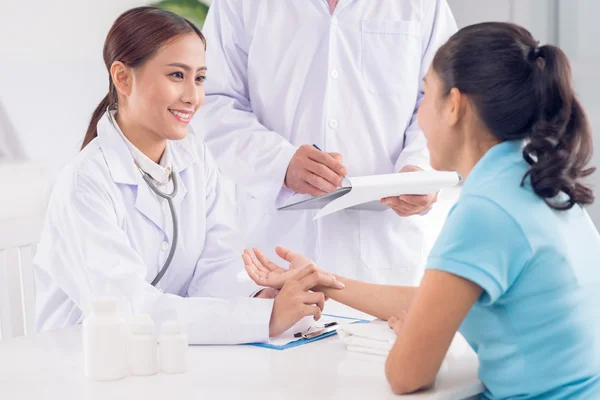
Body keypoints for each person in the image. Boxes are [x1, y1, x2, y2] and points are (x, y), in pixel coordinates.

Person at [243, 22, 600, 398]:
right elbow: (434, 300)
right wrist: (318, 279)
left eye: (425, 94)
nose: (419, 116)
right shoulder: (532, 181)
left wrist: (415, 337)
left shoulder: (486, 212)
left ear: (454, 106)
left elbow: (405, 375)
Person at [33, 6, 343, 345]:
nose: (193, 97)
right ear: (122, 77)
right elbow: (127, 310)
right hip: (81, 365)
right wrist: (264, 318)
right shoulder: (84, 183)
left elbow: (214, 270)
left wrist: (262, 298)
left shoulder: (195, 161)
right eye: (176, 76)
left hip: (164, 359)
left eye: (200, 78)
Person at [194, 0, 458, 285]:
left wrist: (419, 169)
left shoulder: (425, 5)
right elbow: (215, 101)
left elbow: (446, 97)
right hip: (274, 250)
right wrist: (280, 163)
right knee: (271, 324)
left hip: (384, 251)